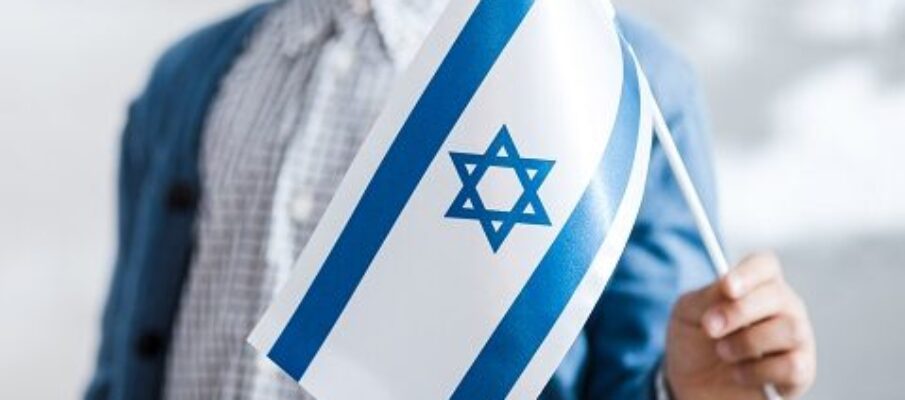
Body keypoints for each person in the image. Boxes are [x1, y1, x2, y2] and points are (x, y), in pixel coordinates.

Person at [85, 1, 816, 399]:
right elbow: (127, 354)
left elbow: (631, 374)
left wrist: (687, 393)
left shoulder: (607, 85)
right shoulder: (191, 77)